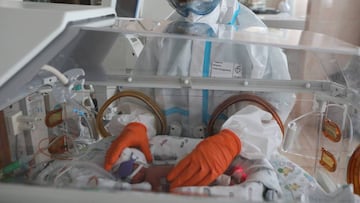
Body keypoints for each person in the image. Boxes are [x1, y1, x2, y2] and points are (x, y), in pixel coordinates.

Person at [104, 0, 295, 200]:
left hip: (232, 157)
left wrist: (232, 140)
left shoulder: (253, 37)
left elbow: (274, 105)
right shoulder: (164, 35)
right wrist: (138, 123)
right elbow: (142, 94)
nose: (190, 7)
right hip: (169, 149)